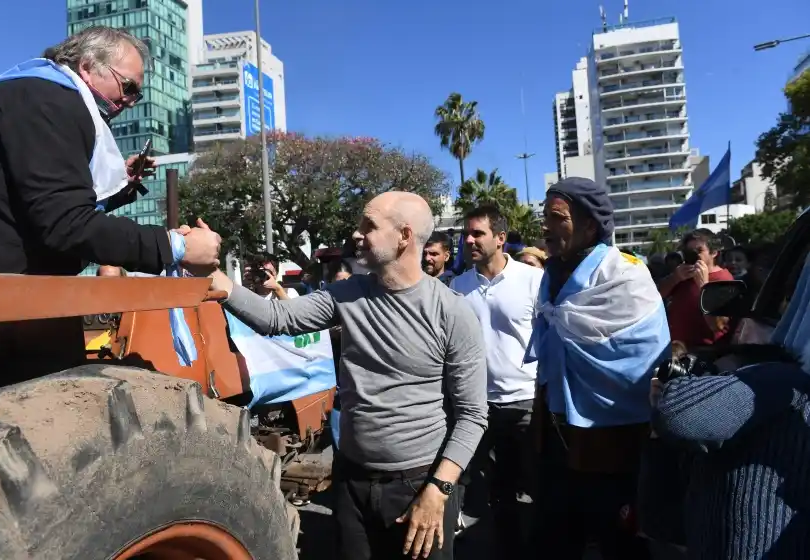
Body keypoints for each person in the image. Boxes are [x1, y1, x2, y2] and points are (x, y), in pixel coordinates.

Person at [209, 192, 488, 560]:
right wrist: (213, 274)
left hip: (420, 486)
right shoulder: (346, 294)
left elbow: (472, 416)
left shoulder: (452, 312)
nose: (357, 234)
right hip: (352, 484)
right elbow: (278, 319)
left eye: (369, 225)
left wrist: (438, 492)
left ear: (404, 236)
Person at [0, 26, 220, 398]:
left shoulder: (17, 95)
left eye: (138, 93)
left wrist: (120, 188)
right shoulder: (51, 101)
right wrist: (174, 247)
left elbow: (27, 205)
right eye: (128, 87)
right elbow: (65, 223)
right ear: (87, 66)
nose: (131, 101)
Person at [527, 177, 670, 559]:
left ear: (590, 224)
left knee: (618, 541)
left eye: (557, 218)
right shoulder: (550, 274)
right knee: (555, 538)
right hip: (555, 434)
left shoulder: (626, 273)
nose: (546, 227)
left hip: (611, 439)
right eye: (545, 217)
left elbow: (644, 352)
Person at [650, 252, 810, 559]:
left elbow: (677, 414)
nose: (739, 328)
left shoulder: (781, 381)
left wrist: (679, 388)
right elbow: (662, 520)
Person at [450, 205, 544, 552]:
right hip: (476, 406)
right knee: (481, 486)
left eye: (478, 233)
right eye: (467, 234)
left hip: (525, 403)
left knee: (530, 487)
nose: (469, 240)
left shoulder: (534, 281)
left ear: (500, 238)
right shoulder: (457, 287)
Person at [659, 229, 733, 348]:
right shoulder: (683, 273)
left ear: (714, 252)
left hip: (705, 351)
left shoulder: (723, 279)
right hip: (677, 349)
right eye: (689, 252)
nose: (694, 255)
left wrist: (704, 286)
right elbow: (656, 296)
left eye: (699, 250)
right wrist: (675, 278)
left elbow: (718, 325)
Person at [326, 259, 353, 452]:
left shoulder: (361, 304)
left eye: (347, 281)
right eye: (338, 281)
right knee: (338, 436)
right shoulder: (323, 307)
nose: (343, 286)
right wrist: (329, 334)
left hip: (358, 382)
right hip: (335, 383)